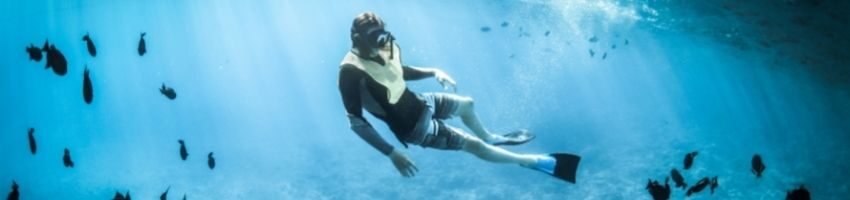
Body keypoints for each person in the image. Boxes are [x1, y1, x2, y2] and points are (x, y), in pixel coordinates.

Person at [338, 12, 580, 183]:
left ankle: (492, 138)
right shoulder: (350, 72)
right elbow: (355, 122)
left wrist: (434, 71)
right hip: (414, 128)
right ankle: (530, 161)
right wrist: (391, 153)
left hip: (421, 102)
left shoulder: (381, 47)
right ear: (358, 39)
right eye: (374, 38)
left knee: (467, 104)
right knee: (473, 146)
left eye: (382, 36)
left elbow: (397, 71)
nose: (381, 43)